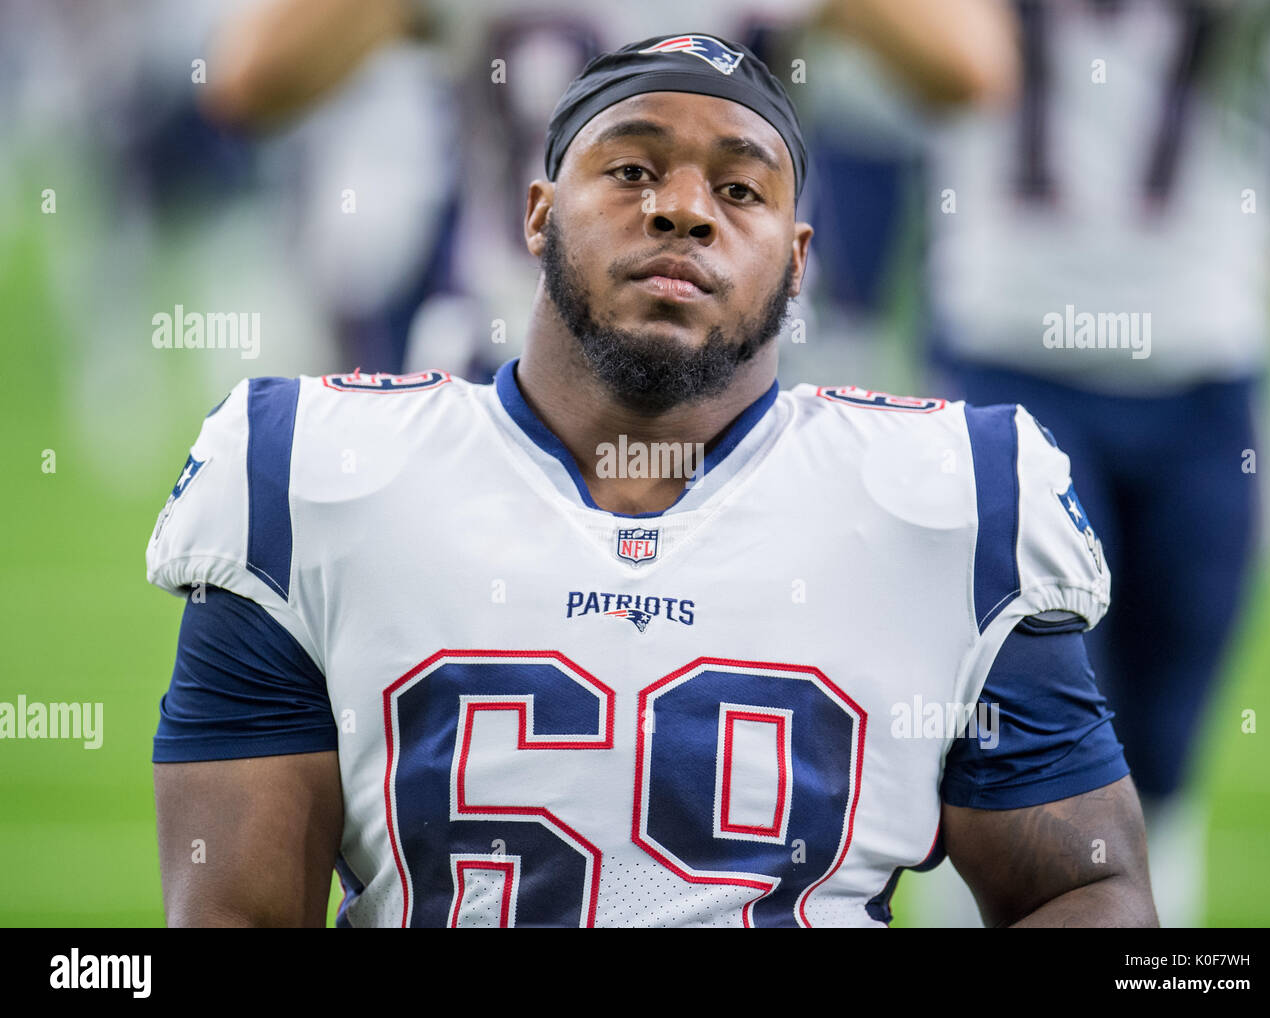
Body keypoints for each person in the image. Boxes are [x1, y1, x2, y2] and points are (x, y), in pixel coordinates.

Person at [148, 33, 1156, 927]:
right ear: (536, 214)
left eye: (739, 187)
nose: (681, 209)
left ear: (798, 259)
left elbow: (1081, 887)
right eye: (631, 169)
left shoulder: (951, 494)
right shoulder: (311, 470)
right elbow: (235, 909)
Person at [824, 0, 1270, 926]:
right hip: (1012, 361)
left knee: (1164, 756)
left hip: (1203, 366)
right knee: (1008, 745)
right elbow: (891, 90)